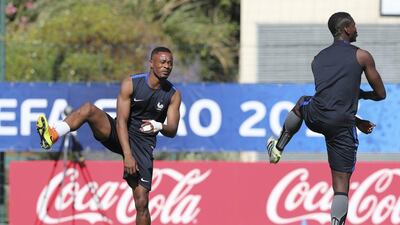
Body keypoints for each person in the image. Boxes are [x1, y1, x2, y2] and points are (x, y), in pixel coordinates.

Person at [36, 46, 181, 225]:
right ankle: (52, 134)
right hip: (120, 133)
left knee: (142, 201)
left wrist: (159, 125)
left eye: (170, 63)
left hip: (143, 144)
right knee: (89, 109)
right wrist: (127, 155)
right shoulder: (131, 83)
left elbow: (173, 130)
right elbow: (121, 121)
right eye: (163, 62)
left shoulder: (173, 95)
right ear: (151, 63)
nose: (167, 66)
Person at [267, 12, 386, 225]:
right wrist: (363, 94)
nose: (357, 29)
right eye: (355, 26)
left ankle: (278, 147)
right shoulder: (362, 56)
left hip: (317, 116)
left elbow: (331, 101)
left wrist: (356, 120)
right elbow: (380, 94)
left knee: (303, 102)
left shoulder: (317, 59)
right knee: (341, 185)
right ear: (347, 28)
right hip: (341, 126)